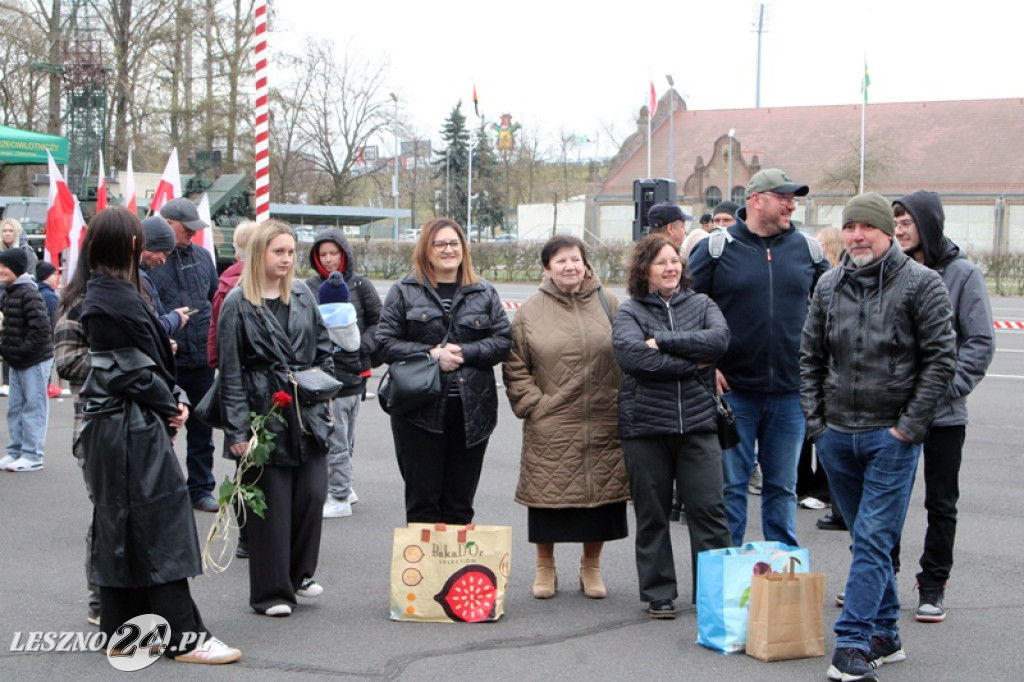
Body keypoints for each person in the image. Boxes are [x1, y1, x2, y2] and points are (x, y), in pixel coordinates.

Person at [801, 192, 956, 681]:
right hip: (836, 435)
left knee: (871, 539)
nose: (856, 237)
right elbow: (808, 358)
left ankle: (852, 643)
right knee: (866, 538)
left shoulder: (921, 284)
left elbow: (940, 361)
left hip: (891, 438)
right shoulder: (828, 285)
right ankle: (886, 632)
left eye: (866, 228)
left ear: (888, 232)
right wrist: (817, 426)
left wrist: (906, 429)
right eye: (849, 228)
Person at [78, 207, 241, 664]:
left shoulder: (108, 291)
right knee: (161, 526)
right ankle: (184, 635)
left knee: (123, 526)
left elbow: (132, 364)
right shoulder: (113, 297)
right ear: (131, 245)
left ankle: (126, 629)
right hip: (128, 428)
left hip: (119, 426)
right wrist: (172, 403)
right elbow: (127, 368)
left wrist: (170, 396)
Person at [688, 168, 828, 547]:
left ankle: (781, 573)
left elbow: (830, 313)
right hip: (734, 393)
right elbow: (688, 310)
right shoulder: (716, 249)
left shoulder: (809, 251)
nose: (791, 204)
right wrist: (706, 363)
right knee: (731, 488)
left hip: (789, 394)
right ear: (756, 200)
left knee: (783, 488)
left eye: (793, 198)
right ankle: (728, 573)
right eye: (783, 197)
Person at [216, 219, 334, 617]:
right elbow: (229, 372)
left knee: (312, 495)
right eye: (278, 251)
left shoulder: (302, 294)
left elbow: (324, 348)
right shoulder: (237, 303)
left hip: (307, 414)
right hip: (260, 413)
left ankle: (300, 574)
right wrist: (236, 430)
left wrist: (323, 390)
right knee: (271, 506)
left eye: (290, 252)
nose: (287, 259)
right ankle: (271, 593)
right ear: (258, 254)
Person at [612, 234, 732, 619]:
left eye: (675, 261)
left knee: (709, 512)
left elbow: (718, 341)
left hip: (697, 424)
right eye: (661, 262)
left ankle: (712, 593)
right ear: (644, 269)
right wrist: (691, 364)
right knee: (652, 514)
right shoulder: (630, 311)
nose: (671, 268)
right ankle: (659, 593)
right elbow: (633, 359)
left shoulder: (702, 304)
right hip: (645, 428)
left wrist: (661, 341)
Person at [504, 235, 629, 600]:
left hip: (604, 418)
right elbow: (514, 365)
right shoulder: (529, 310)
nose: (569, 266)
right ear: (547, 269)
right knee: (547, 500)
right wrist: (534, 406)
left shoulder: (609, 303)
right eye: (560, 261)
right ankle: (545, 567)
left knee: (600, 500)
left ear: (586, 264)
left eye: (575, 259)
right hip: (552, 420)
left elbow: (630, 350)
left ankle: (591, 567)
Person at [891, 190, 995, 623]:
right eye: (894, 222)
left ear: (928, 224)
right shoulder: (889, 270)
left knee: (941, 503)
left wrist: (944, 387)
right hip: (892, 413)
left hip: (943, 415)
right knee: (885, 501)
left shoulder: (962, 274)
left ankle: (933, 585)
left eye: (906, 221)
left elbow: (979, 342)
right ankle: (877, 576)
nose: (898, 229)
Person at [376, 217, 511, 524]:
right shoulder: (404, 290)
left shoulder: (484, 292)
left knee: (459, 505)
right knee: (423, 506)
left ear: (464, 247)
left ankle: (455, 573)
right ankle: (425, 573)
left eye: (454, 243)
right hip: (418, 413)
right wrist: (431, 354)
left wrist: (467, 352)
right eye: (440, 244)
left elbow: (503, 342)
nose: (448, 250)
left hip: (471, 412)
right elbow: (383, 343)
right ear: (426, 249)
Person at [304, 227, 382, 518]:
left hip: (354, 375)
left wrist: (361, 348)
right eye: (322, 254)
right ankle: (344, 486)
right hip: (322, 376)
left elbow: (380, 321)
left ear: (344, 254)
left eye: (333, 253)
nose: (328, 260)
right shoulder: (308, 286)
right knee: (337, 435)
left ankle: (339, 493)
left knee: (343, 436)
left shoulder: (361, 285)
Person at [148, 197, 220, 512]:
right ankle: (162, 492)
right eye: (186, 229)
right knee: (162, 428)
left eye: (194, 229)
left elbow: (213, 300)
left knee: (202, 429)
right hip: (167, 362)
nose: (192, 234)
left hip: (201, 359)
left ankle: (201, 489)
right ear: (166, 223)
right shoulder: (150, 263)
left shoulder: (204, 258)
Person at [53, 233, 100, 626]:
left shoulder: (133, 297)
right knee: (107, 514)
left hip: (137, 425)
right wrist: (121, 361)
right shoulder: (76, 304)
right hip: (93, 426)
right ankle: (99, 602)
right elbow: (67, 363)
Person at [206, 219, 258, 560]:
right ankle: (249, 537)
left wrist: (215, 362)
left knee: (244, 465)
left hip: (230, 376)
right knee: (251, 462)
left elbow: (214, 332)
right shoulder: (236, 289)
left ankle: (246, 536)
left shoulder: (224, 283)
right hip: (246, 383)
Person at [0, 247, 53, 472]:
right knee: (15, 407)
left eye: (5, 266)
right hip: (18, 360)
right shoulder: (10, 291)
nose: (1, 270)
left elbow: (41, 328)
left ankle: (33, 455)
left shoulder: (29, 292)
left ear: (17, 268)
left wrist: (22, 350)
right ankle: (16, 451)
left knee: (34, 407)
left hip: (34, 360)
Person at [0, 217, 38, 396]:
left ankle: (9, 381)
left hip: (17, 300)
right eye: (4, 230)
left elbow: (30, 277)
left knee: (13, 337)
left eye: (10, 231)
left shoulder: (26, 252)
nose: (7, 234)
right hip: (3, 301)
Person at [139, 215, 189, 337]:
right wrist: (175, 318)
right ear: (150, 247)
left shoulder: (137, 275)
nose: (163, 261)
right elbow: (149, 329)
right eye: (163, 253)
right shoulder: (136, 278)